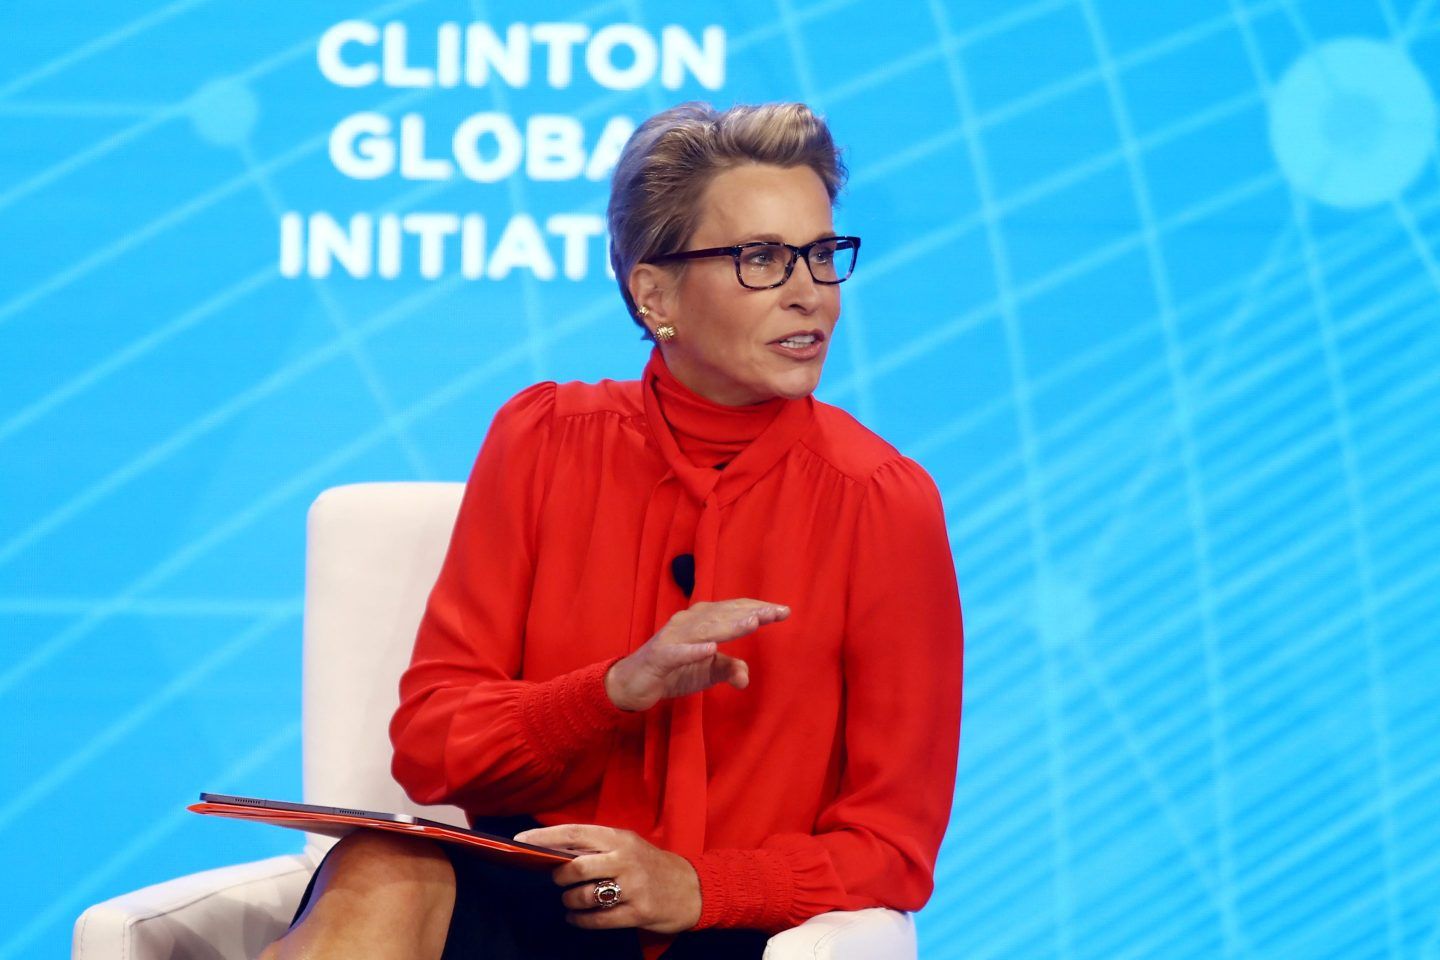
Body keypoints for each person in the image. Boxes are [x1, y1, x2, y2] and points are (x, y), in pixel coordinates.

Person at [261, 101, 963, 960]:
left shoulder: (883, 502)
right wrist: (610, 693)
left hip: (732, 931)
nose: (809, 291)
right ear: (654, 291)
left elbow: (894, 846)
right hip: (536, 901)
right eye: (761, 259)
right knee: (379, 865)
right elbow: (433, 746)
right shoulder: (544, 440)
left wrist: (700, 887)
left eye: (821, 255)